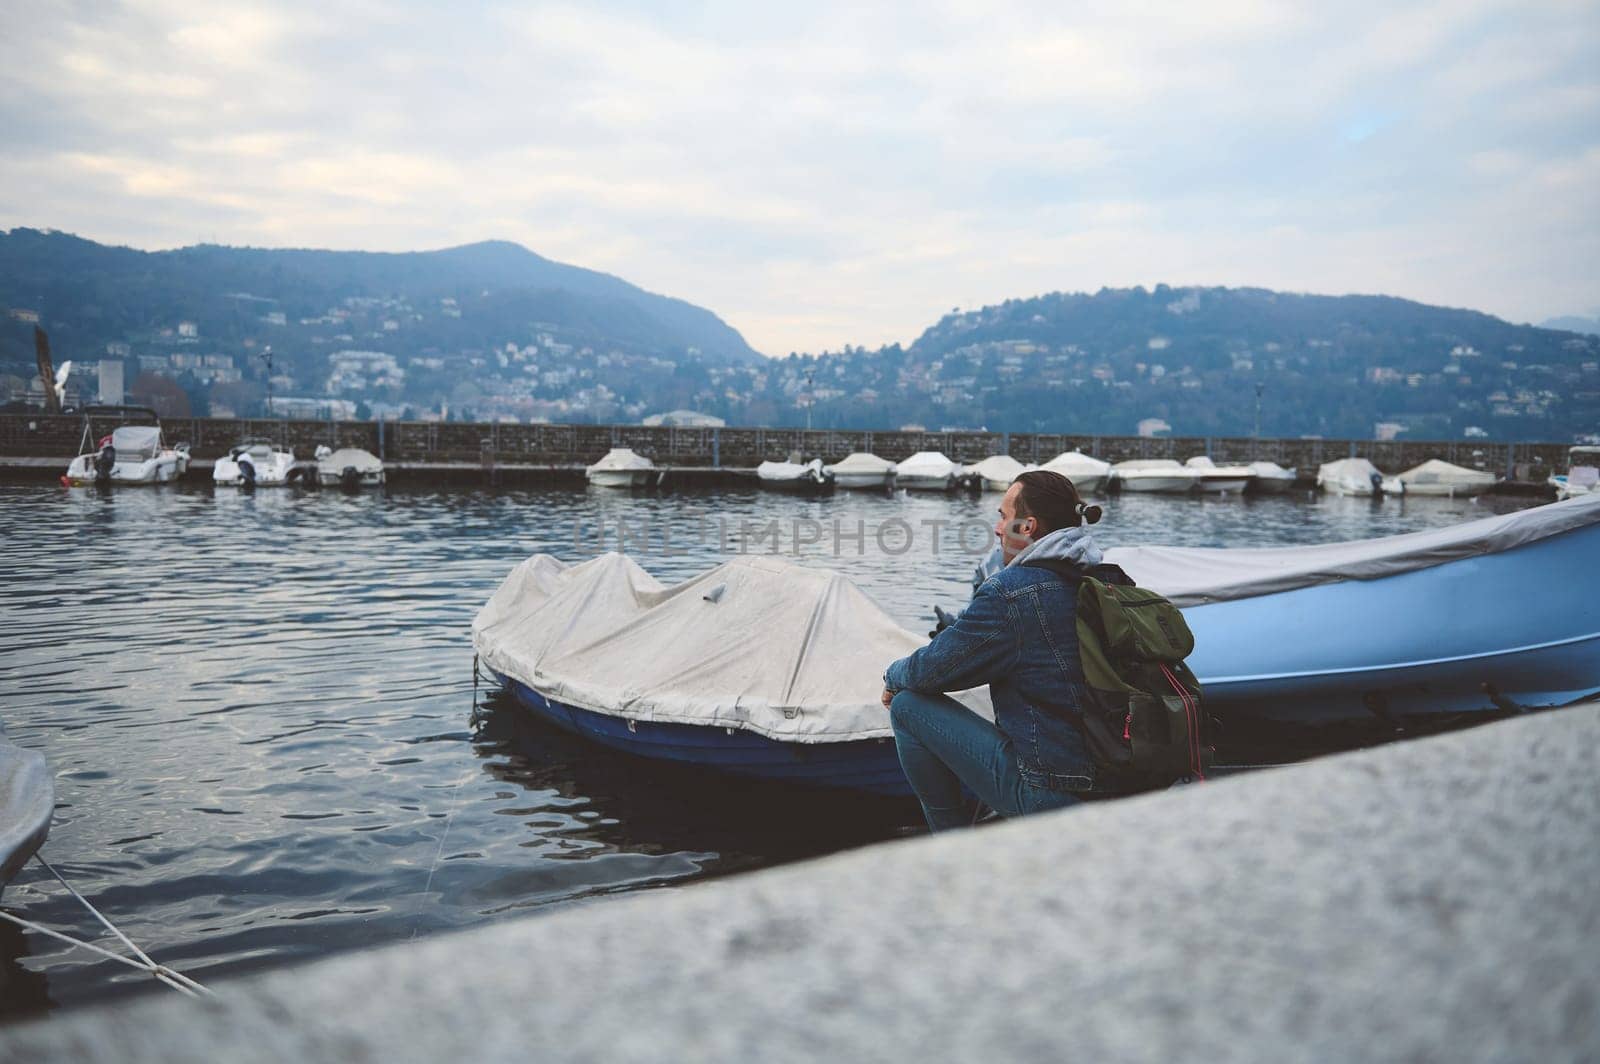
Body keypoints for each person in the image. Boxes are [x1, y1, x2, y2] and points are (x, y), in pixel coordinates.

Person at [881, 470, 1112, 831]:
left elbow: (932, 671)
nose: (997, 528)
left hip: (1050, 791)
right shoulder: (1102, 579)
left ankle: (951, 846)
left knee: (907, 704)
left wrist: (892, 676)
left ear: (1027, 527)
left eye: (1003, 516)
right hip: (1112, 780)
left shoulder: (1012, 592)